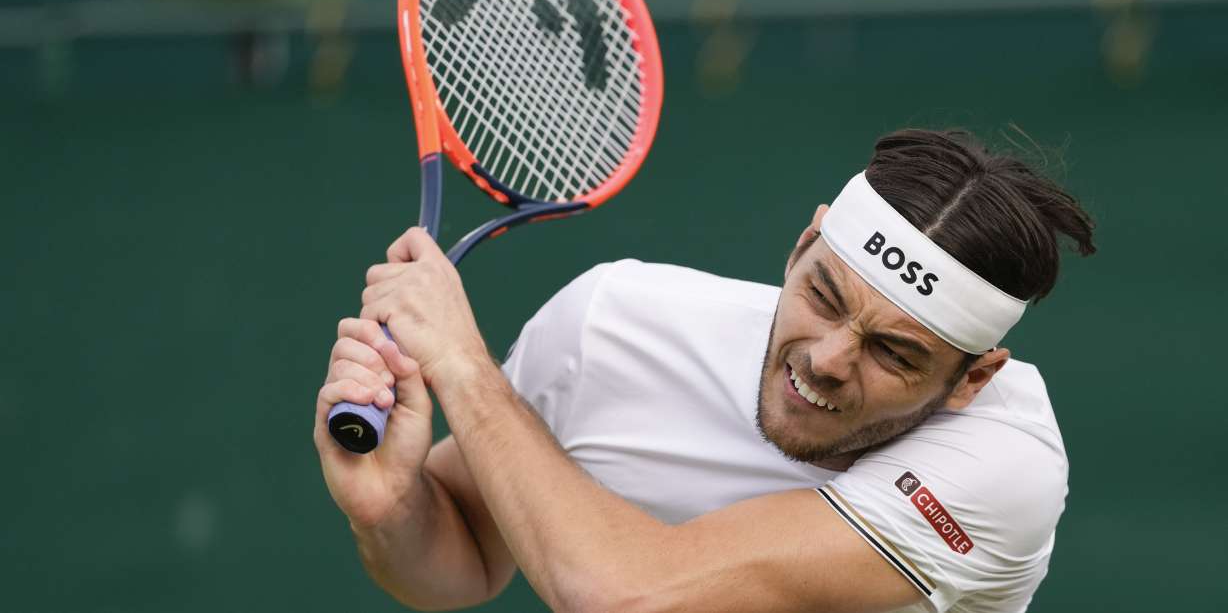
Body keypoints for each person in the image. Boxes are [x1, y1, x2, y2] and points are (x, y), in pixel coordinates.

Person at [313, 128, 1096, 613]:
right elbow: (467, 559)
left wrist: (464, 369)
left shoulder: (1004, 462)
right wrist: (390, 511)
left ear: (972, 379)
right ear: (801, 247)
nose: (826, 360)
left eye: (894, 352)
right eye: (823, 295)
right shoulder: (611, 322)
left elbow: (629, 599)